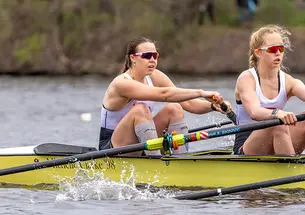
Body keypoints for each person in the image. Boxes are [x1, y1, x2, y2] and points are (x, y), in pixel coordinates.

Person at [99, 37, 232, 156]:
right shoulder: (121, 83)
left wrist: (213, 106)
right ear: (133, 58)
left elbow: (189, 104)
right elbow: (165, 94)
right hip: (112, 148)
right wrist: (201, 92)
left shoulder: (155, 76)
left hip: (140, 141)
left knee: (175, 108)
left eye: (155, 56)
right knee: (141, 109)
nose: (152, 60)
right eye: (147, 56)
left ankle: (181, 159)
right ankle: (156, 163)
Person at [234, 24, 305, 155]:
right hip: (247, 147)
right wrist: (277, 113)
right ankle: (291, 170)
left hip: (279, 136)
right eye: (272, 49)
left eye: (281, 48)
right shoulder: (246, 79)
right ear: (258, 52)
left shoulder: (289, 81)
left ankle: (290, 163)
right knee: (276, 123)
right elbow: (254, 112)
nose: (278, 53)